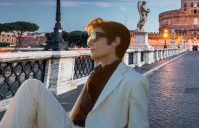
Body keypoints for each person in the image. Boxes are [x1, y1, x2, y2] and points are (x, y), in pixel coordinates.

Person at [0, 18, 149, 128]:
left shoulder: (135, 81)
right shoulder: (94, 74)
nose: (89, 42)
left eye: (95, 37)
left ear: (115, 41)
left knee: (31, 87)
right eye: (89, 37)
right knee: (31, 87)